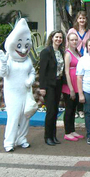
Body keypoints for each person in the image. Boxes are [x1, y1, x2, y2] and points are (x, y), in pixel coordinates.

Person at [1, 19, 35, 152]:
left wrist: (30, 80)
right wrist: (3, 63)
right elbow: (3, 73)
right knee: (14, 117)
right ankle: (9, 141)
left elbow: (32, 71)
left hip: (25, 92)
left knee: (25, 116)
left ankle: (21, 138)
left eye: (26, 45)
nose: (23, 49)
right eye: (19, 45)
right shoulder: (8, 59)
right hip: (12, 93)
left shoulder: (27, 60)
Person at [39, 30, 66, 146]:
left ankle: (53, 136)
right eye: (56, 37)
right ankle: (47, 137)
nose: (58, 39)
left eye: (60, 37)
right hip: (49, 86)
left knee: (55, 111)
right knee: (50, 112)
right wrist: (42, 87)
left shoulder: (61, 51)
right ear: (52, 38)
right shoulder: (46, 52)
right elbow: (42, 71)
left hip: (58, 84)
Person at [61, 33, 84, 142]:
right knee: (69, 109)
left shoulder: (77, 52)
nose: (74, 42)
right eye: (72, 40)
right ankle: (67, 132)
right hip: (70, 85)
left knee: (74, 108)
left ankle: (72, 130)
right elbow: (66, 71)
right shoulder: (68, 54)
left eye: (76, 40)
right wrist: (70, 88)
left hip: (77, 84)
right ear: (68, 41)